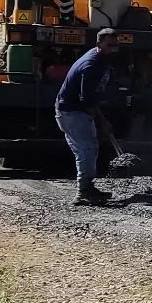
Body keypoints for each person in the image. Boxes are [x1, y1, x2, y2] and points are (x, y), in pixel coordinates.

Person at [55, 28, 121, 206]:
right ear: (99, 44)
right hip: (71, 112)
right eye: (110, 45)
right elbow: (87, 99)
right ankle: (83, 192)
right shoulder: (91, 65)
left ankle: (88, 187)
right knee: (86, 149)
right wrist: (103, 121)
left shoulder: (101, 57)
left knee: (90, 148)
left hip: (79, 110)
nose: (113, 49)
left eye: (116, 46)